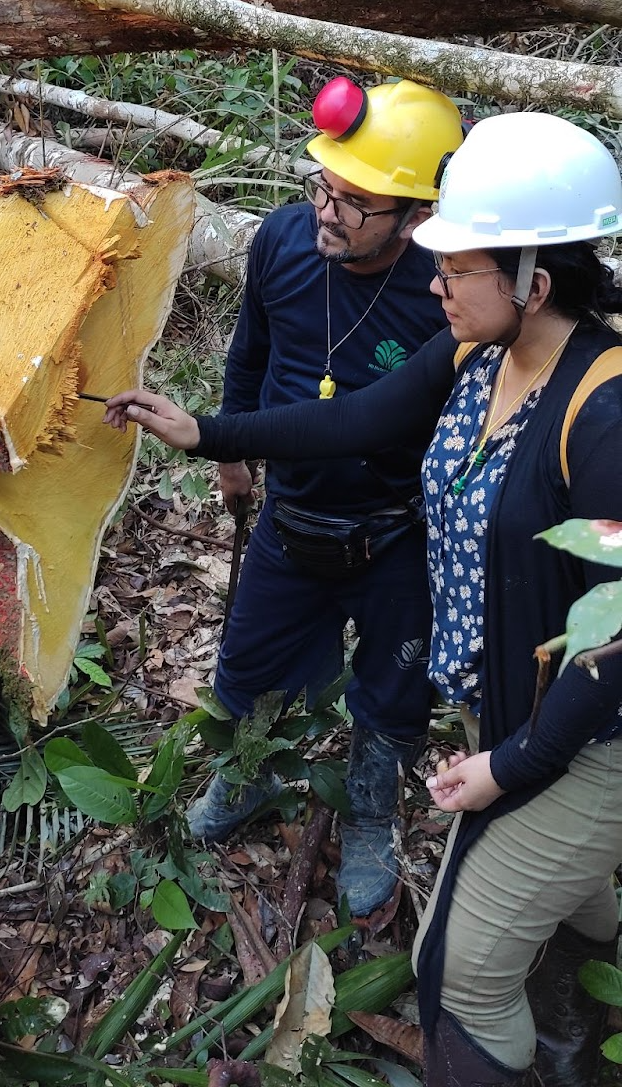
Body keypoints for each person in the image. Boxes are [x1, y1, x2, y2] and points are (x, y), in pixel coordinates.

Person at [106, 110, 622, 1087]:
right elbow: (356, 417)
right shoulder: (480, 358)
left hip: (582, 737)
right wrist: (210, 432)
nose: (436, 287)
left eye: (456, 269)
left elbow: (619, 630)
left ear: (533, 282)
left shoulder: (603, 415)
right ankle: (582, 1030)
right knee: (577, 899)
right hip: (513, 710)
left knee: (452, 975)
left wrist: (512, 764)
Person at [136, 75, 462, 916]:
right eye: (323, 185)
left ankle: (367, 812)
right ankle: (249, 771)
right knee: (248, 666)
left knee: (394, 693)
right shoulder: (282, 241)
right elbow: (250, 356)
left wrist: (215, 432)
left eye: (356, 202)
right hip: (291, 516)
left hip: (396, 531)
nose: (328, 210)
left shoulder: (446, 294)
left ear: (416, 216)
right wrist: (233, 459)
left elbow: (365, 419)